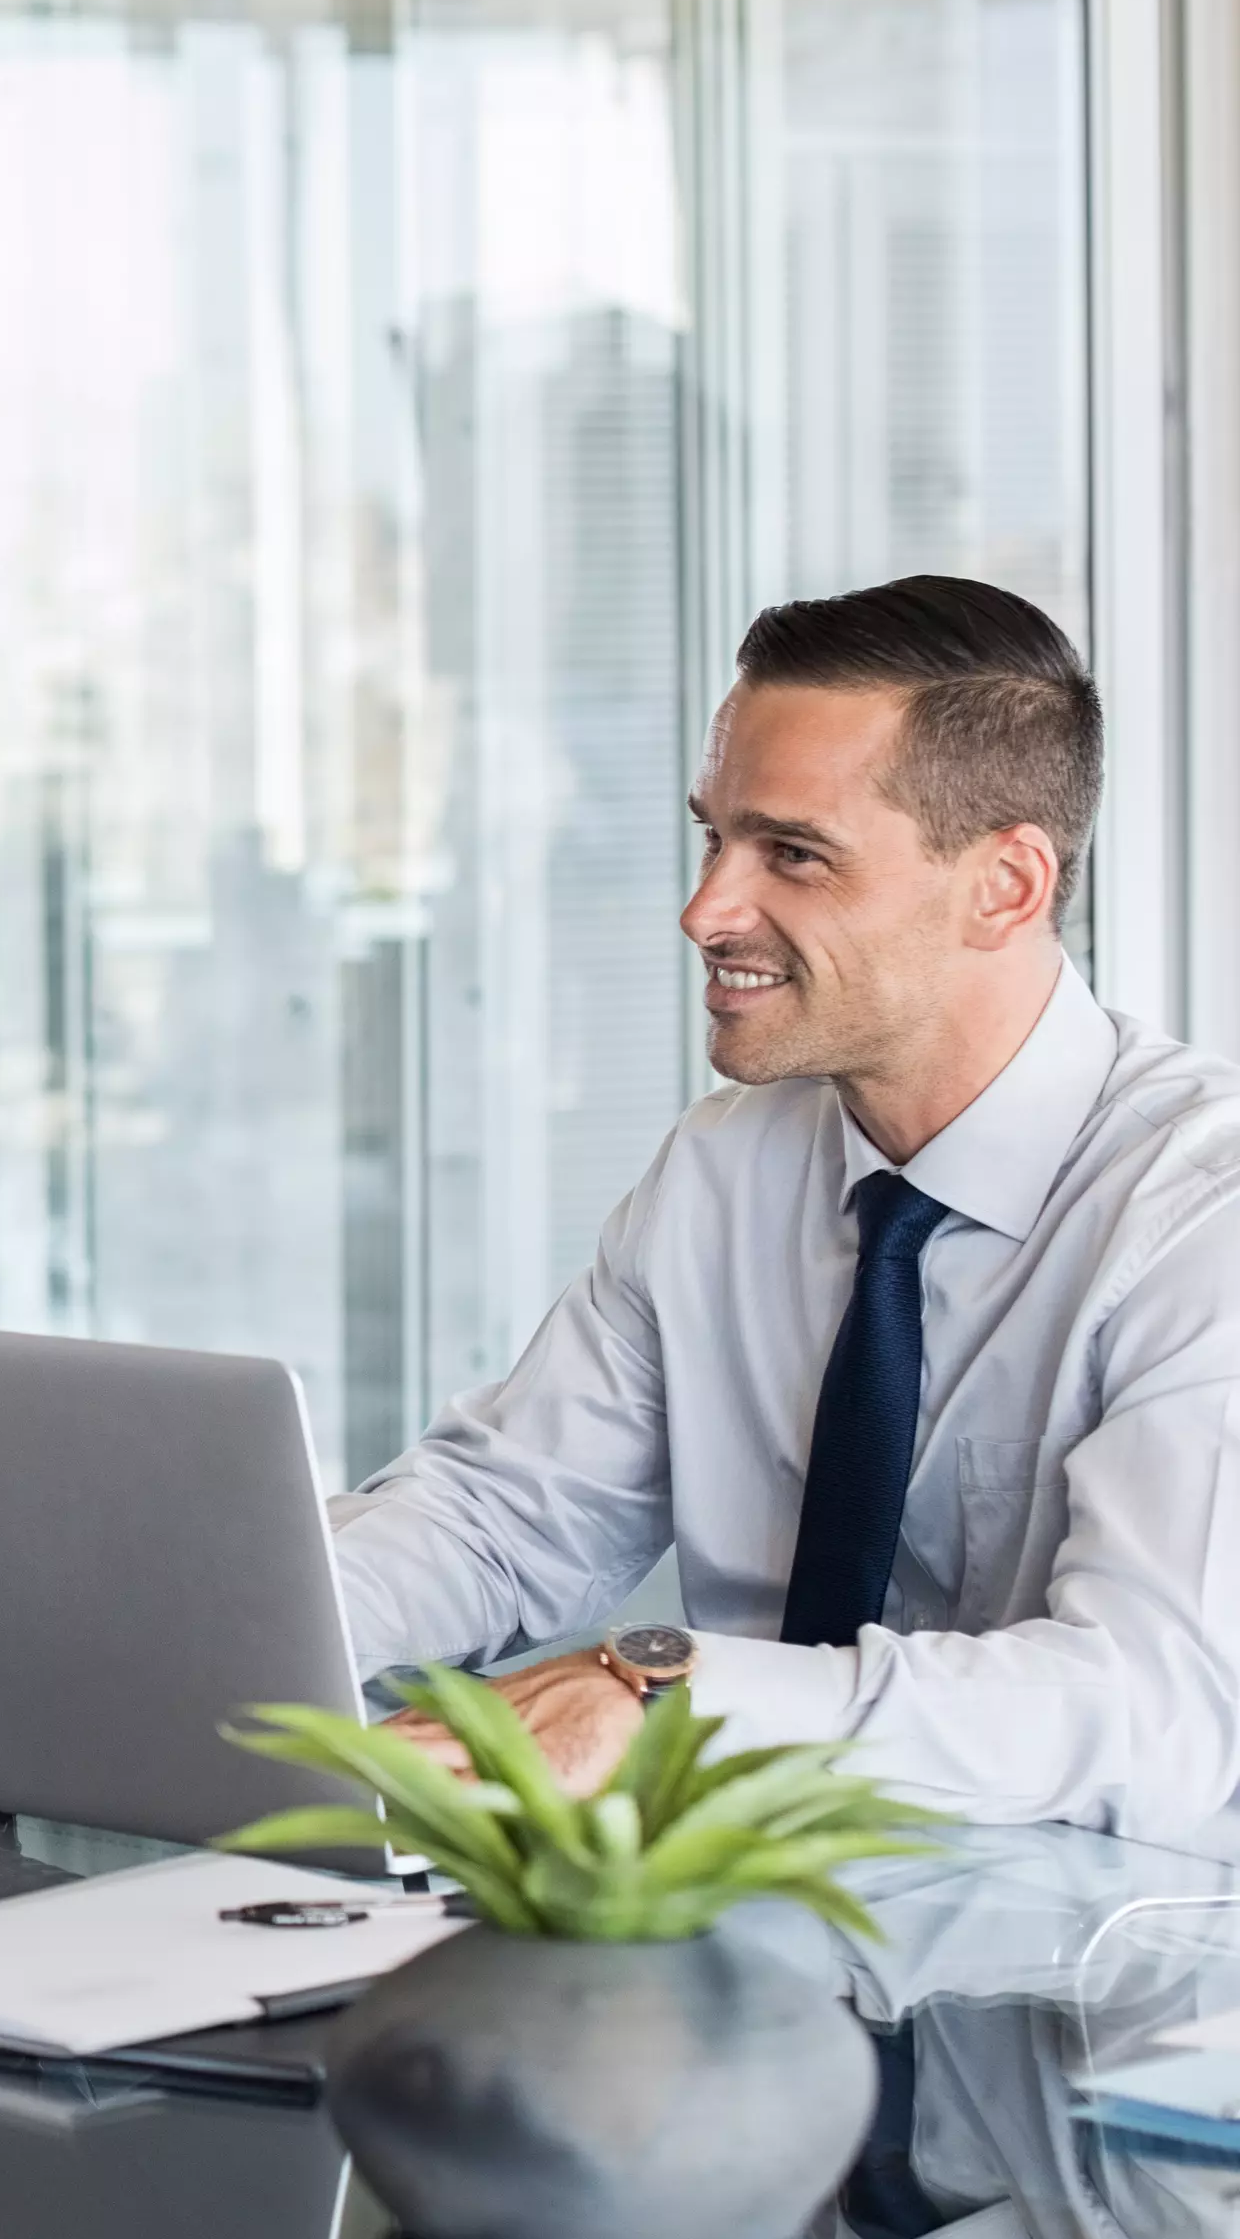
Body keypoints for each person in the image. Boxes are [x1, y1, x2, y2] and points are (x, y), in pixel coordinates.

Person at [329, 576, 1240, 1843]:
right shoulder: (724, 1173)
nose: (706, 909)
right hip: (738, 1939)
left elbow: (1152, 1710)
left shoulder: (1202, 1218)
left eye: (793, 854)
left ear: (1007, 886)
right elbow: (505, 1520)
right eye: (714, 838)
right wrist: (237, 1613)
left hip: (1102, 1993)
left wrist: (671, 1701)